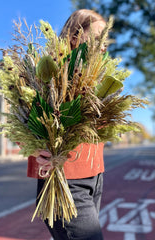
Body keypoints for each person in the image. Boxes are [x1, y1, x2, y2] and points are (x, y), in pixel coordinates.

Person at [27, 9, 106, 240]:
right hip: (66, 179)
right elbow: (23, 116)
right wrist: (33, 147)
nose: (103, 46)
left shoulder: (92, 75)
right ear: (75, 36)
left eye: (105, 42)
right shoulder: (50, 69)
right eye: (98, 38)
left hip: (96, 175)